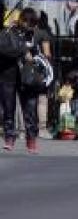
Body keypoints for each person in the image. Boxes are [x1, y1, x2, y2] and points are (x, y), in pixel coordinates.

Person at [2, 8, 51, 153]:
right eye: (28, 23)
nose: (31, 27)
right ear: (22, 20)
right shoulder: (9, 32)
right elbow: (3, 49)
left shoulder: (38, 34)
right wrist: (23, 51)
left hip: (29, 77)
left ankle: (31, 140)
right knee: (8, 109)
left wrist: (40, 59)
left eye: (33, 24)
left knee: (30, 109)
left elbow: (47, 55)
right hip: (8, 75)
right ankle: (9, 137)